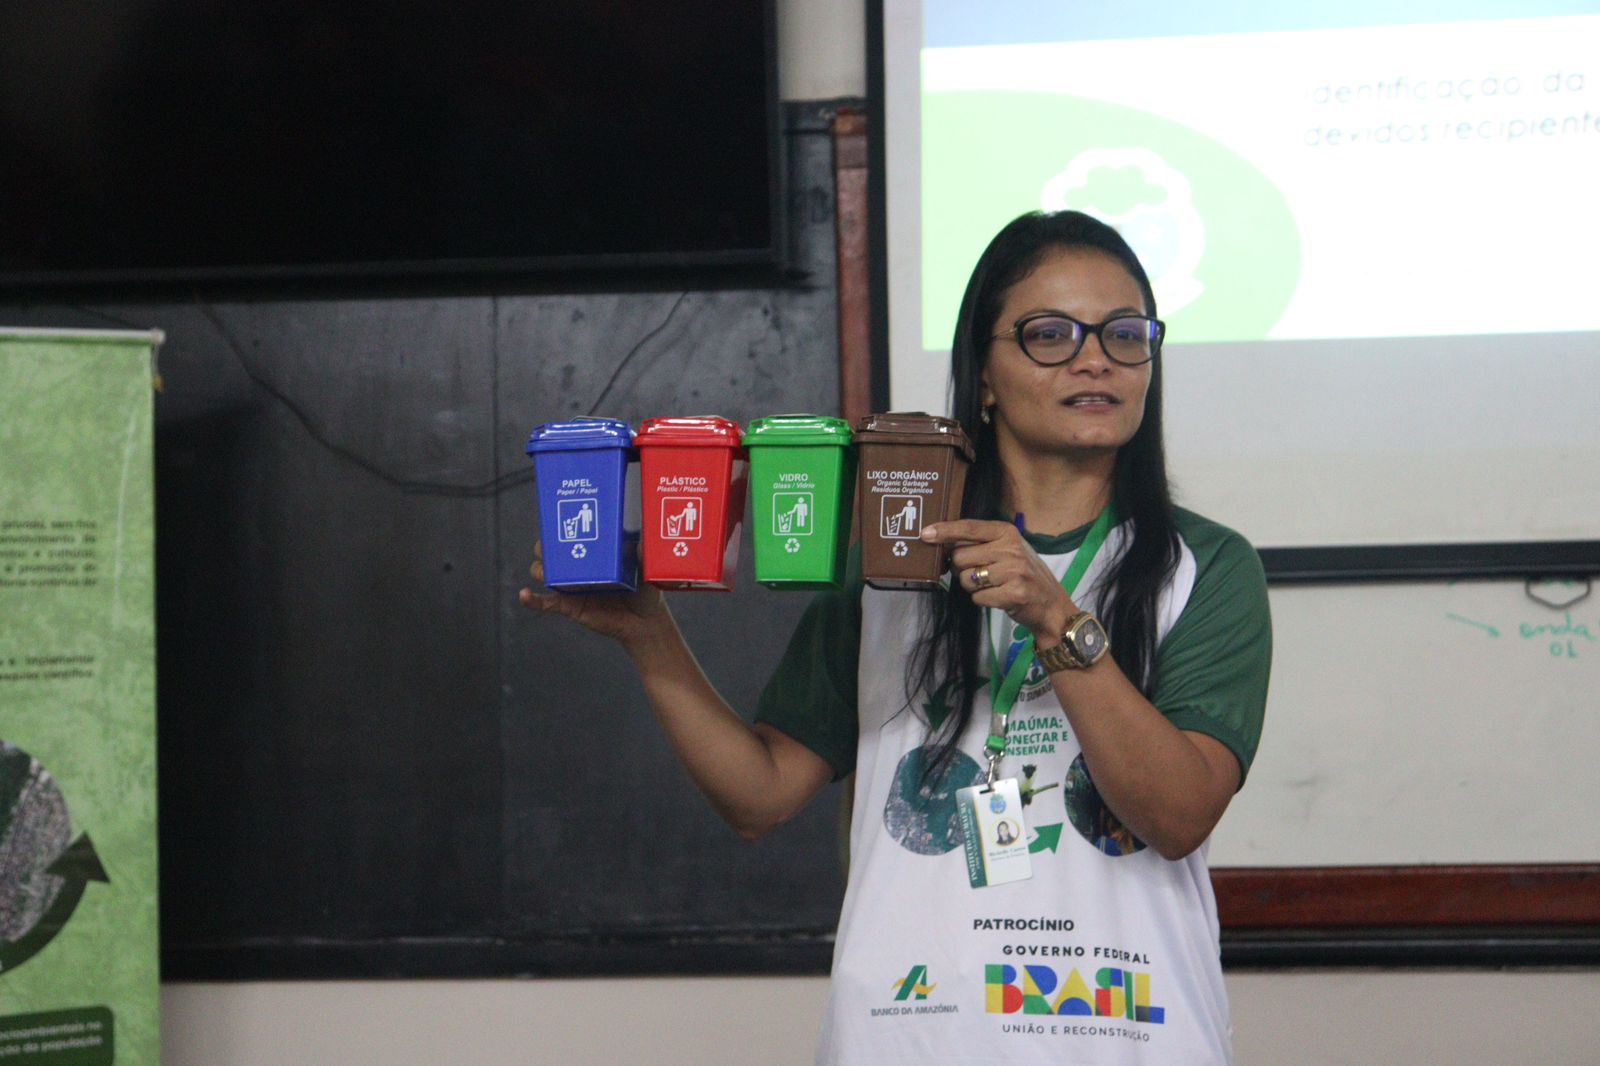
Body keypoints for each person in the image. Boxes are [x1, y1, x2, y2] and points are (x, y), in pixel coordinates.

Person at [521, 209, 1271, 1065]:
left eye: (1125, 333)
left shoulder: (1203, 566)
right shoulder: (890, 562)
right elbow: (759, 796)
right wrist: (649, 638)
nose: (1094, 356)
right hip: (908, 1037)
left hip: (1125, 1035)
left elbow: (1178, 815)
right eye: (1049, 334)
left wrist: (1056, 617)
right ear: (983, 377)